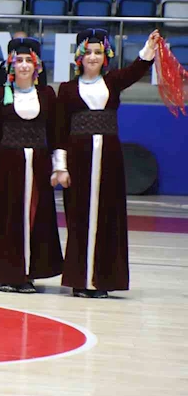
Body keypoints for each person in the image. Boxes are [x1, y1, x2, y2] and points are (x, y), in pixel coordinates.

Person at [55, 29, 159, 298]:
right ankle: (80, 280)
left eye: (98, 52)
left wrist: (149, 46)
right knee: (78, 217)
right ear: (79, 56)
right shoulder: (67, 90)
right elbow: (59, 131)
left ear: (105, 56)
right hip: (78, 159)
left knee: (108, 217)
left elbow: (137, 69)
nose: (92, 57)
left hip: (110, 159)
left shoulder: (113, 82)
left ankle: (101, 280)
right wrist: (61, 166)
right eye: (87, 52)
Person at [0, 37, 63, 293]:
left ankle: (30, 273)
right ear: (10, 65)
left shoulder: (47, 95)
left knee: (36, 215)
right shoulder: (0, 96)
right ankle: (9, 274)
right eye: (19, 61)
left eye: (29, 61)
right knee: (8, 218)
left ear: (37, 65)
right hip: (8, 165)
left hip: (39, 165)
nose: (24, 66)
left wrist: (58, 166)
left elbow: (55, 133)